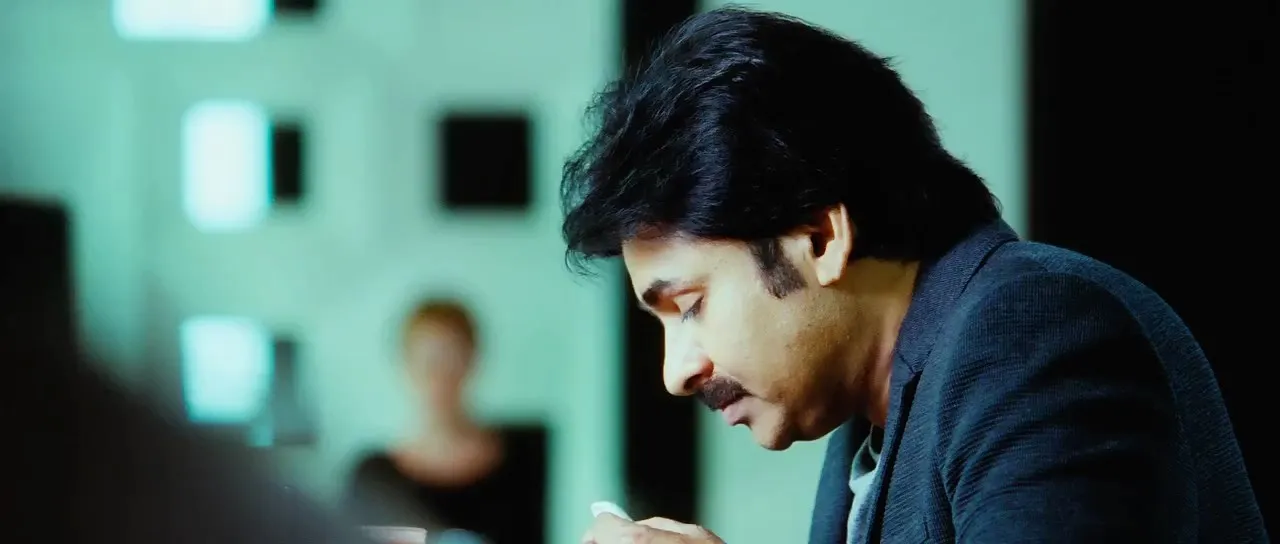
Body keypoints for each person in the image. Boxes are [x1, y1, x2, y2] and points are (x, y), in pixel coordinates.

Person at [562, 7, 1266, 544]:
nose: (676, 373)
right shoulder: (872, 417)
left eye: (690, 305)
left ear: (820, 238)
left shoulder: (1031, 333)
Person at [343, 299, 546, 544]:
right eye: (428, 361)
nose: (440, 376)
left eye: (452, 359)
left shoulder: (525, 458)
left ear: (472, 360)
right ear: (406, 365)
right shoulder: (374, 478)